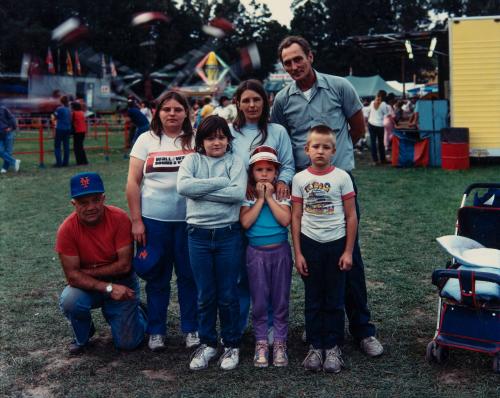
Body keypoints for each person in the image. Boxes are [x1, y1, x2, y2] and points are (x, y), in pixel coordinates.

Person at [271, 35, 383, 357]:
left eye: (298, 59)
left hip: (339, 184)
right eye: (287, 62)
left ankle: (362, 330)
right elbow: (280, 139)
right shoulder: (282, 100)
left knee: (350, 259)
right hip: (304, 189)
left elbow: (358, 127)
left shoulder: (339, 87)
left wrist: (340, 165)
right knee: (313, 261)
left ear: (310, 55)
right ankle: (319, 324)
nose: (294, 66)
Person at [126, 91, 199, 352]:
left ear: (187, 112)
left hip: (190, 221)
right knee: (157, 276)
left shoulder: (196, 138)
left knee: (189, 277)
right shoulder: (145, 140)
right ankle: (156, 330)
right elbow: (133, 183)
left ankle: (192, 328)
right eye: (166, 109)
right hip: (154, 221)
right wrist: (136, 221)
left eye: (178, 109)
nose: (172, 113)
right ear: (158, 112)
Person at [177, 115, 247, 371]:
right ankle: (208, 344)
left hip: (228, 234)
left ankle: (231, 344)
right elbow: (183, 188)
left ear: (228, 140)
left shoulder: (235, 162)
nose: (216, 142)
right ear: (201, 141)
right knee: (205, 294)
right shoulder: (191, 160)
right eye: (210, 137)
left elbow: (237, 194)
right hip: (198, 235)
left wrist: (202, 190)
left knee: (228, 294)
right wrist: (220, 183)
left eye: (221, 137)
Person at [230, 79, 295, 337]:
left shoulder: (277, 131)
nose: (251, 104)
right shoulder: (231, 132)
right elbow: (227, 163)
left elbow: (288, 163)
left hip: (270, 206)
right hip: (241, 204)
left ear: (265, 102)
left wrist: (281, 181)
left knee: (269, 273)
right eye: (246, 100)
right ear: (238, 103)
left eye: (256, 99)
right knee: (243, 270)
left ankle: (269, 325)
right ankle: (240, 325)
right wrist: (244, 184)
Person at [56, 172, 147, 354]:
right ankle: (83, 334)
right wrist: (108, 287)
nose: (91, 207)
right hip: (94, 287)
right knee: (70, 299)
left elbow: (124, 266)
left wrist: (84, 273)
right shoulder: (66, 230)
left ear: (103, 198)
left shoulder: (119, 218)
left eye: (96, 200)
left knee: (128, 344)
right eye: (83, 202)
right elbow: (73, 276)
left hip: (122, 282)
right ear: (74, 203)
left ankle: (140, 313)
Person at [291, 125, 357, 373]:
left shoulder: (341, 177)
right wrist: (297, 253)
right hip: (310, 244)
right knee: (313, 298)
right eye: (315, 146)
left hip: (336, 243)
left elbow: (351, 216)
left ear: (334, 151)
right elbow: (296, 217)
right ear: (307, 149)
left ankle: (333, 347)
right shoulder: (299, 179)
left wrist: (348, 251)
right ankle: (315, 346)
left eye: (326, 147)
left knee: (334, 298)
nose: (320, 151)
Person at [240, 146, 292, 368]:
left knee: (280, 299)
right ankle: (261, 341)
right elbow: (245, 222)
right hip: (256, 254)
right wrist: (260, 199)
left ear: (276, 173)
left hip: (280, 252)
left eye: (269, 170)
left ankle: (280, 342)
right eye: (259, 169)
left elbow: (285, 220)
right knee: (259, 300)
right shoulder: (248, 195)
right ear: (252, 172)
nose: (263, 174)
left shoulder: (282, 193)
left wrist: (269, 197)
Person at [366, 90, 392, 165]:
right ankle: (383, 160)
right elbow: (386, 114)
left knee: (373, 143)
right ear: (384, 96)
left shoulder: (372, 102)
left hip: (371, 124)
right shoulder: (384, 104)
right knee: (381, 143)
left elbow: (368, 112)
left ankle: (375, 161)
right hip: (379, 125)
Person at [0, 105, 20, 173]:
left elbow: (12, 118)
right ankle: (14, 162)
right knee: (0, 151)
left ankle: (5, 168)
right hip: (0, 135)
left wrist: (11, 128)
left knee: (8, 151)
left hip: (8, 132)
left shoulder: (3, 109)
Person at [53, 96, 72, 167]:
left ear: (61, 101)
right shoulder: (69, 109)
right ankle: (66, 162)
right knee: (66, 146)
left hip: (60, 128)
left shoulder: (59, 109)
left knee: (57, 146)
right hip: (68, 128)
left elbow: (54, 117)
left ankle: (59, 163)